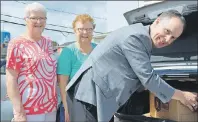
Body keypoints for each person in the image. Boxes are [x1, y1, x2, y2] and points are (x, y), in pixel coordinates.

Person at [65, 10, 198, 122]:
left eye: (173, 37)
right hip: (87, 96)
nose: (168, 39)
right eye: (167, 31)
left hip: (100, 100)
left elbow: (140, 79)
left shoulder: (143, 40)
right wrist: (182, 96)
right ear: (157, 21)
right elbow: (148, 78)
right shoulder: (136, 37)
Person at [6, 2, 57, 122]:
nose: (39, 22)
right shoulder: (16, 44)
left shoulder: (48, 42)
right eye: (34, 18)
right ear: (26, 19)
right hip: (28, 108)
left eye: (42, 18)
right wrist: (18, 112)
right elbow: (11, 79)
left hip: (50, 107)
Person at [57, 14, 97, 122]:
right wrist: (67, 109)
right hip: (73, 103)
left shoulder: (98, 49)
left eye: (89, 29)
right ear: (75, 30)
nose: (85, 33)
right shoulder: (68, 52)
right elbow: (63, 83)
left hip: (94, 104)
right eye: (81, 29)